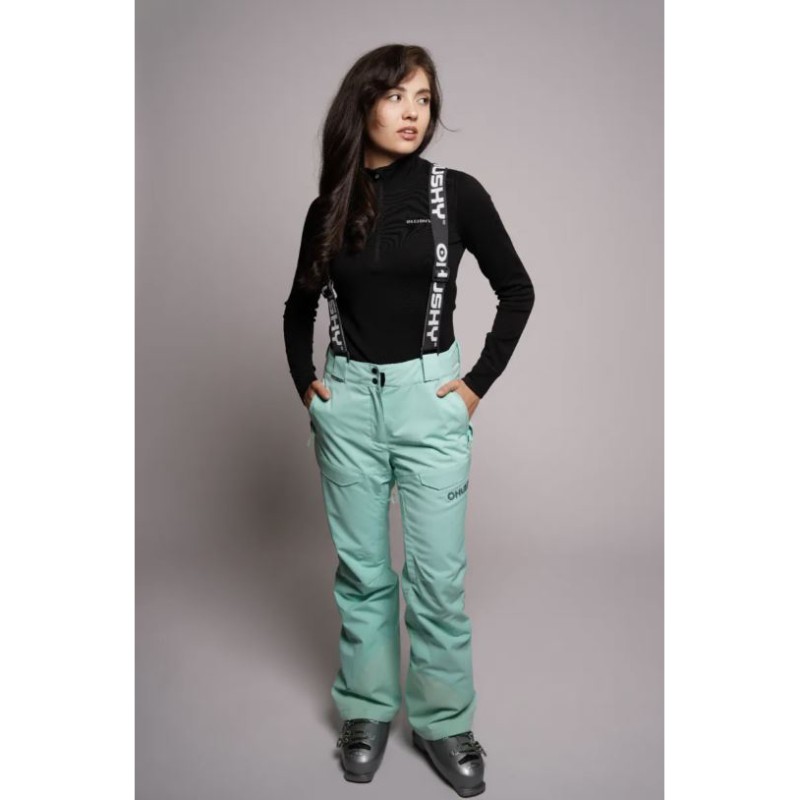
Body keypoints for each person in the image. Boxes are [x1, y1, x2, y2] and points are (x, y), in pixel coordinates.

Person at [282, 44, 535, 797]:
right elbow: (298, 308)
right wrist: (308, 388)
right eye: (396, 96)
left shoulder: (457, 193)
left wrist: (474, 386)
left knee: (436, 579)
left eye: (423, 98)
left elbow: (517, 290)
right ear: (362, 104)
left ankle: (443, 721)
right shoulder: (329, 207)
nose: (413, 112)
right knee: (362, 575)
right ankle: (365, 711)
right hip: (349, 406)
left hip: (430, 402)